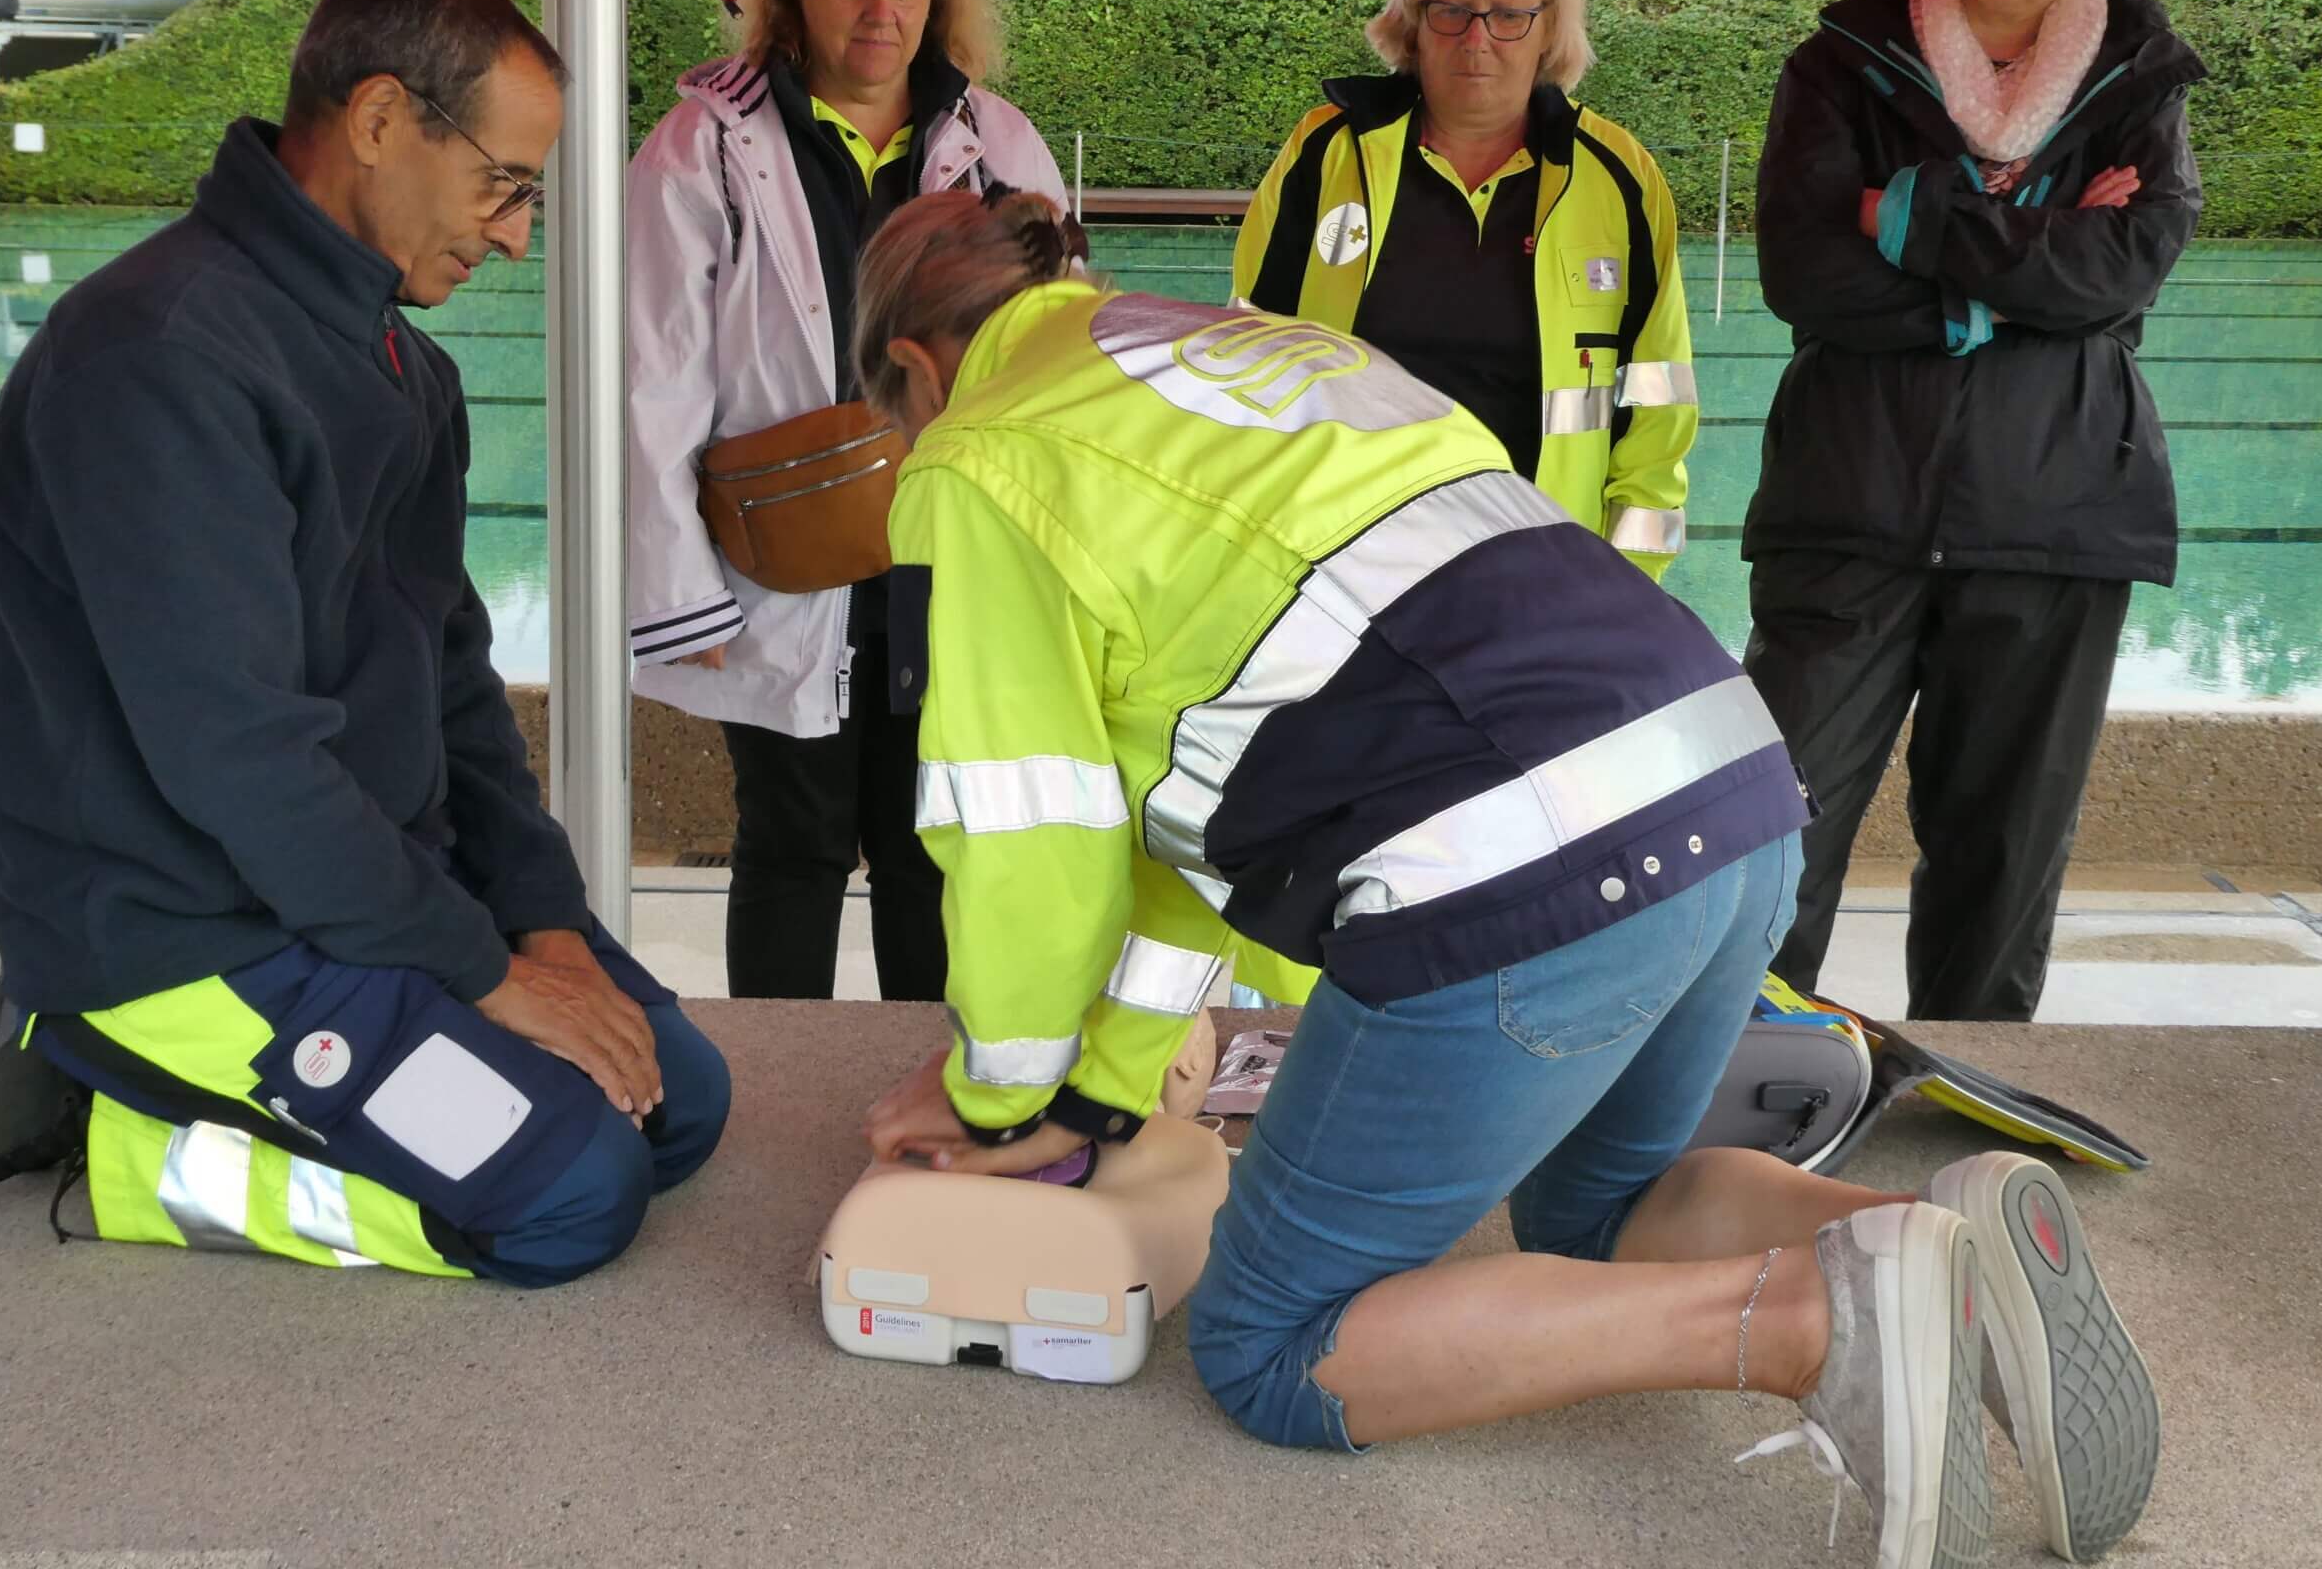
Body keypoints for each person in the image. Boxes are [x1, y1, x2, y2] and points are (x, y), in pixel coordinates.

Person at [856, 190, 2159, 1568]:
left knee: (1273, 1346)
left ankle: (1813, 1326)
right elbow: (1178, 857)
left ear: (916, 369)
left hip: (1526, 859)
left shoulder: (983, 457)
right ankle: (1944, 1245)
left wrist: (997, 1097)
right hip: (1728, 784)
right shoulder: (1251, 351)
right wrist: (1094, 1095)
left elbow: (1028, 837)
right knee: (1600, 1211)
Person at [0, 0, 729, 1285]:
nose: (515, 236)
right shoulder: (155, 360)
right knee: (572, 1197)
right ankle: (103, 1121)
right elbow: (239, 756)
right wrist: (484, 975)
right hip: (182, 935)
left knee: (677, 1107)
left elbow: (452, 681)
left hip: (354, 892)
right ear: (380, 120)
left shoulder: (401, 367)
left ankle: (215, 1081)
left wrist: (541, 918)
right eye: (504, 185)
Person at [1744, 0, 2204, 1020]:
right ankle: (1738, 1086)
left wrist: (1902, 215)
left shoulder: (2140, 76)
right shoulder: (1842, 62)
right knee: (1770, 836)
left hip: (2055, 511)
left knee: (2000, 861)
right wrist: (2015, 273)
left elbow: (2120, 270)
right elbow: (1804, 272)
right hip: (1848, 504)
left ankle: (1973, 1102)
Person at [626, 0, 1068, 1003]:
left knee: (933, 843)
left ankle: (935, 1082)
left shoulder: (997, 143)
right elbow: (652, 377)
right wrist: (679, 592)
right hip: (783, 554)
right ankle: (775, 1088)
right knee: (793, 842)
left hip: (946, 549)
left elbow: (1053, 358)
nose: (883, 13)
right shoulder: (704, 147)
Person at [1233, 0, 1698, 581]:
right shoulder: (1326, 154)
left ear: (1549, 27)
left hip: (1541, 575)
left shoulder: (1618, 178)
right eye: (1450, 9)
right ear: (1414, 21)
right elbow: (1247, 369)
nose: (1476, 39)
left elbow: (1657, 410)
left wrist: (1626, 589)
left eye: (1509, 15)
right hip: (1344, 573)